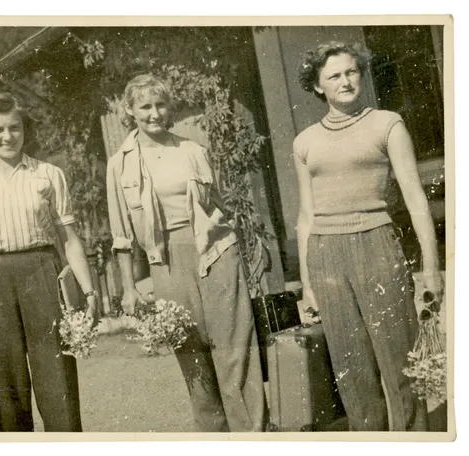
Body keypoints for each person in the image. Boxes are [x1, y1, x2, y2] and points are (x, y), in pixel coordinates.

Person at [293, 41, 444, 432]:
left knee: (400, 364)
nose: (345, 81)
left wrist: (432, 269)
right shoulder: (304, 141)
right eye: (334, 76)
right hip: (325, 255)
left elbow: (415, 199)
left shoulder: (387, 124)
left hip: (376, 244)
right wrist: (308, 285)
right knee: (351, 370)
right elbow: (306, 215)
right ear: (317, 86)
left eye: (351, 72)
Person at [106, 74, 268, 432]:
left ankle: (253, 436)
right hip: (165, 261)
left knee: (234, 348)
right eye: (145, 106)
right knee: (190, 351)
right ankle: (212, 436)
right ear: (130, 111)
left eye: (160, 104)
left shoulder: (193, 151)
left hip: (214, 252)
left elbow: (219, 207)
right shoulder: (119, 165)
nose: (154, 113)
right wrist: (129, 288)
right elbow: (121, 235)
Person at [0, 92, 99, 432]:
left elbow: (71, 240)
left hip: (42, 272)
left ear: (25, 129)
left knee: (57, 376)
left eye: (15, 128)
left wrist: (90, 293)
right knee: (5, 383)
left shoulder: (48, 175)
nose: (7, 137)